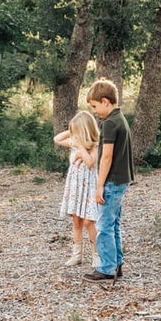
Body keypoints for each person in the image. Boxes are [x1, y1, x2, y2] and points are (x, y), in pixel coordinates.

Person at [84, 78, 132, 283]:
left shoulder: (110, 124)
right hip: (122, 179)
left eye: (95, 106)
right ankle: (116, 263)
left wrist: (99, 185)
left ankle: (106, 268)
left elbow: (106, 157)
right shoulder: (120, 118)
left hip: (112, 181)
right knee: (113, 224)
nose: (95, 112)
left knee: (104, 225)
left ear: (105, 101)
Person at [53, 110, 100, 267]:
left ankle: (96, 255)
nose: (75, 135)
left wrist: (81, 148)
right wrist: (72, 130)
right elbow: (57, 139)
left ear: (85, 130)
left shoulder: (94, 145)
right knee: (76, 221)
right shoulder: (74, 142)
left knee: (89, 221)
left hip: (89, 187)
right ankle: (77, 255)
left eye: (78, 131)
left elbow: (90, 163)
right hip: (75, 185)